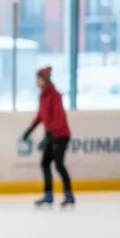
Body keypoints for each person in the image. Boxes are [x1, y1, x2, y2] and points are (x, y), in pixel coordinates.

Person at [24, 66, 74, 208]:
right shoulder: (43, 96)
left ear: (45, 79)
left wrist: (49, 135)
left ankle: (69, 195)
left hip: (61, 135)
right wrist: (29, 130)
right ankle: (48, 195)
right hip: (52, 135)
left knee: (58, 164)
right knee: (45, 163)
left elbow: (58, 118)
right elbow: (41, 115)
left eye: (39, 79)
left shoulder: (55, 95)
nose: (37, 82)